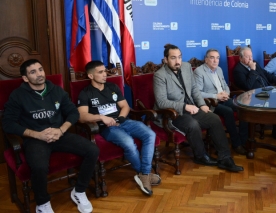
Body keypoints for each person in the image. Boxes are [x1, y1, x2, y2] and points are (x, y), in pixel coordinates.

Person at [3, 59, 99, 213]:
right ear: (25, 78)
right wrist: (36, 135)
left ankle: (79, 191)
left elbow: (73, 112)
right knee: (39, 166)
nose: (39, 74)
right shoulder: (18, 95)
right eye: (33, 72)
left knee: (93, 150)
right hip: (35, 139)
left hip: (59, 134)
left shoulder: (56, 90)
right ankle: (42, 203)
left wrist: (61, 130)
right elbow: (8, 123)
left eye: (40, 69)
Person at [153, 44, 243, 172]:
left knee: (214, 118)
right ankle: (201, 156)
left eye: (179, 57)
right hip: (172, 114)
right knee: (192, 124)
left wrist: (202, 104)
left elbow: (194, 89)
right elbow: (161, 102)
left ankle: (225, 158)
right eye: (173, 58)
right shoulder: (159, 75)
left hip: (193, 108)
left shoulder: (186, 66)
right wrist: (185, 106)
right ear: (165, 59)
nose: (178, 61)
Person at [76, 61, 160, 196]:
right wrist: (101, 118)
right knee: (128, 143)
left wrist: (120, 118)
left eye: (105, 71)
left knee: (150, 134)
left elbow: (125, 106)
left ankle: (144, 174)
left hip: (123, 121)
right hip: (106, 127)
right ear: (90, 76)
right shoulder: (85, 93)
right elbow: (82, 116)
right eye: (100, 72)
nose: (105, 75)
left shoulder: (112, 87)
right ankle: (145, 174)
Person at [194, 49, 248, 155]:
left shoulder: (219, 69)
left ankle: (243, 140)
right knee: (228, 112)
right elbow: (198, 93)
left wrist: (226, 94)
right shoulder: (199, 71)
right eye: (212, 57)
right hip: (211, 103)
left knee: (243, 108)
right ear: (206, 59)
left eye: (217, 58)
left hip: (224, 99)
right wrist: (216, 96)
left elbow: (225, 86)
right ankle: (236, 144)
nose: (215, 60)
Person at [233, 46, 276, 141]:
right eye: (247, 56)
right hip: (254, 96)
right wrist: (252, 70)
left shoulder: (254, 62)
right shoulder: (238, 70)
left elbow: (266, 74)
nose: (250, 59)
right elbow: (247, 86)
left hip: (267, 90)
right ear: (240, 58)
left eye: (251, 56)